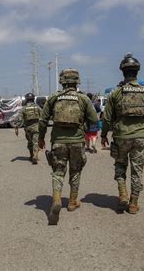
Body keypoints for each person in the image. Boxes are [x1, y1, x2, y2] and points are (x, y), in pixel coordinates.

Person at [38, 68, 98, 225]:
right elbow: (94, 119)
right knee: (75, 171)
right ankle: (72, 202)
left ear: (62, 81)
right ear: (77, 82)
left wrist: (40, 139)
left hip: (58, 141)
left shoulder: (53, 98)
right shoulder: (83, 99)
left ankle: (57, 199)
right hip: (77, 141)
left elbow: (43, 120)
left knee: (58, 172)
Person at [101, 53, 144, 214]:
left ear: (123, 72)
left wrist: (104, 135)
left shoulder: (116, 92)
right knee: (137, 170)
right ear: (137, 72)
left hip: (121, 137)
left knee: (120, 166)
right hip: (140, 137)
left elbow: (107, 118)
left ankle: (123, 194)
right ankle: (133, 203)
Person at [15, 92, 42, 164]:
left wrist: (16, 127)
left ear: (26, 99)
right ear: (33, 99)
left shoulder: (24, 108)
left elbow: (19, 119)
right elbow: (43, 116)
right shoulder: (37, 107)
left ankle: (31, 155)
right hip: (36, 128)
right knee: (35, 142)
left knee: (30, 142)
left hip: (28, 129)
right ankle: (35, 156)